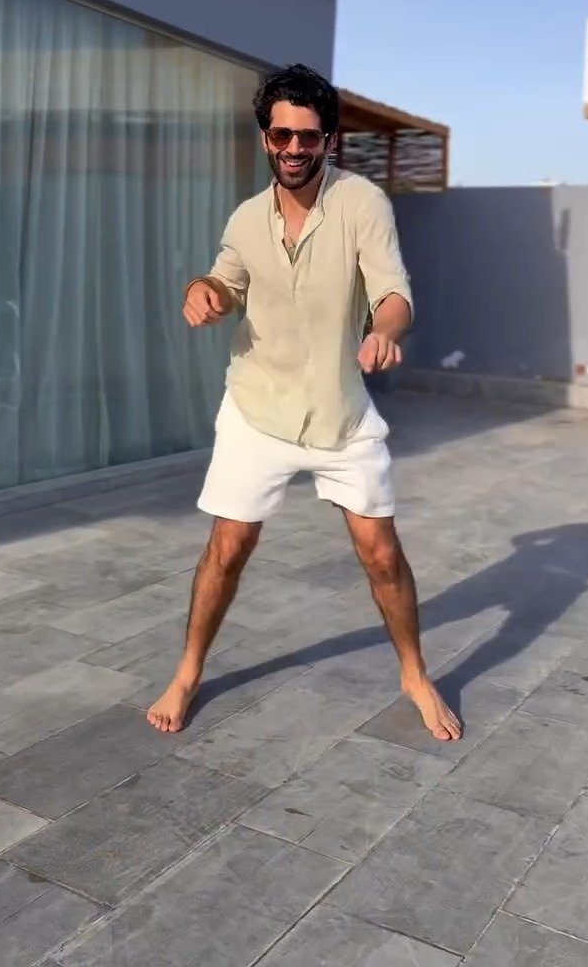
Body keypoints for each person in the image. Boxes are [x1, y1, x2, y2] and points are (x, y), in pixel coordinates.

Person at [148, 64, 461, 742]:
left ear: (329, 140)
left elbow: (393, 291)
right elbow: (224, 280)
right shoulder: (245, 218)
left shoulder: (361, 203)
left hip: (338, 409)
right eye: (281, 135)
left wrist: (385, 329)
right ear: (266, 137)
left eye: (308, 137)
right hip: (257, 406)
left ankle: (414, 673)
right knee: (228, 547)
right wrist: (202, 292)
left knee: (381, 553)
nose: (294, 148)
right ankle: (188, 671)